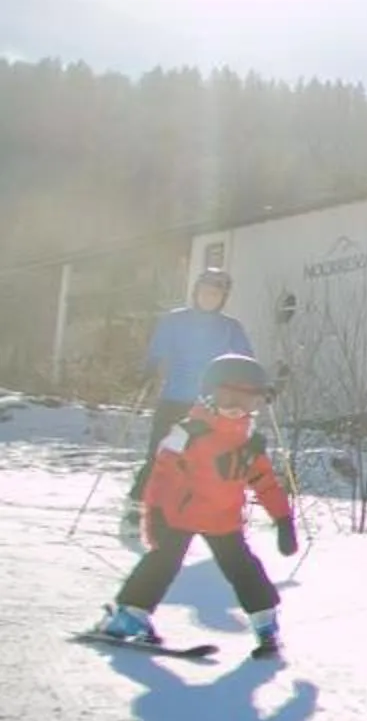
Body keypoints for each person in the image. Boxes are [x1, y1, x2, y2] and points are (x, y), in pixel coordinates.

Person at [95, 354, 296, 655]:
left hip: (224, 520)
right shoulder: (187, 433)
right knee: (161, 563)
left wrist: (283, 520)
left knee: (244, 570)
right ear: (209, 394)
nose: (236, 409)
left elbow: (266, 484)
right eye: (228, 397)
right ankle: (130, 617)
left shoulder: (248, 442)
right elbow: (159, 476)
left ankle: (266, 624)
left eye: (247, 401)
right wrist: (156, 515)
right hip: (179, 515)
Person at [122, 268, 255, 542]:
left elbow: (245, 361)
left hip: (208, 406)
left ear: (223, 298)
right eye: (206, 292)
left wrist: (258, 384)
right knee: (160, 456)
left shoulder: (230, 328)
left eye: (216, 294)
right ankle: (136, 507)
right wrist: (146, 372)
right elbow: (156, 351)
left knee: (208, 463)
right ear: (196, 292)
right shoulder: (175, 321)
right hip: (174, 399)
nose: (210, 297)